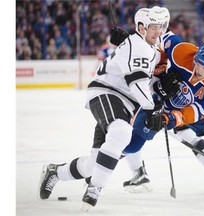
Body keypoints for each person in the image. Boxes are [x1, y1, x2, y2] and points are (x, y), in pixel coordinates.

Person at [39, 7, 166, 211]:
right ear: (141, 28)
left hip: (124, 103)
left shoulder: (146, 46)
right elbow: (136, 84)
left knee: (94, 163)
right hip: (107, 92)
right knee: (122, 133)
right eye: (153, 27)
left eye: (160, 27)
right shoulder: (140, 46)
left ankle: (56, 172)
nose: (157, 31)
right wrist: (152, 108)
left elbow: (143, 73)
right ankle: (94, 188)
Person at [123, 33, 204, 197]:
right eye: (197, 63)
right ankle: (99, 164)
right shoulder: (183, 51)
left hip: (191, 110)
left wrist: (174, 118)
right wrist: (158, 65)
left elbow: (198, 111)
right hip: (159, 104)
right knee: (133, 144)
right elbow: (162, 36)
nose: (198, 69)